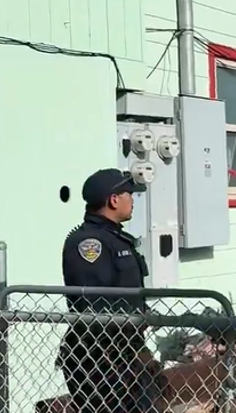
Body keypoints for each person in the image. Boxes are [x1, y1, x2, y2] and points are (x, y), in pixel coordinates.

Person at [59, 168, 168, 412]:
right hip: (100, 356)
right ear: (114, 200)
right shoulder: (89, 243)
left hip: (125, 348)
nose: (133, 201)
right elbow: (95, 306)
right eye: (130, 194)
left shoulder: (115, 238)